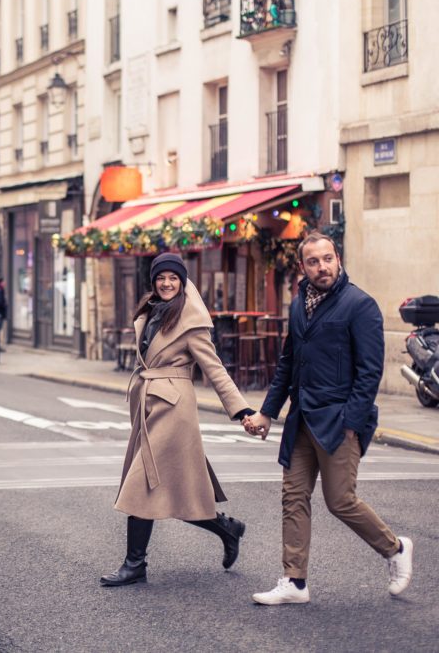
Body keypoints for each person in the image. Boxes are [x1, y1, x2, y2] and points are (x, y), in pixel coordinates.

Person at [245, 232, 413, 605]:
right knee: (293, 497)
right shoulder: (298, 305)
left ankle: (396, 548)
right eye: (313, 261)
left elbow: (370, 372)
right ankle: (295, 581)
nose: (322, 267)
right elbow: (288, 363)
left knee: (340, 500)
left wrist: (352, 421)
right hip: (302, 418)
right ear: (302, 266)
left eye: (328, 259)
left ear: (338, 259)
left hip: (338, 420)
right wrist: (268, 412)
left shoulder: (360, 305)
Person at [101, 252, 254, 588]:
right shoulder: (152, 312)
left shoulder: (190, 319)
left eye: (173, 278)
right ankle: (228, 528)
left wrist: (241, 409)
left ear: (183, 282)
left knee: (143, 480)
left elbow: (214, 368)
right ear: (154, 282)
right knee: (182, 487)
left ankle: (134, 563)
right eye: (161, 278)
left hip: (173, 408)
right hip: (149, 403)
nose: (167, 283)